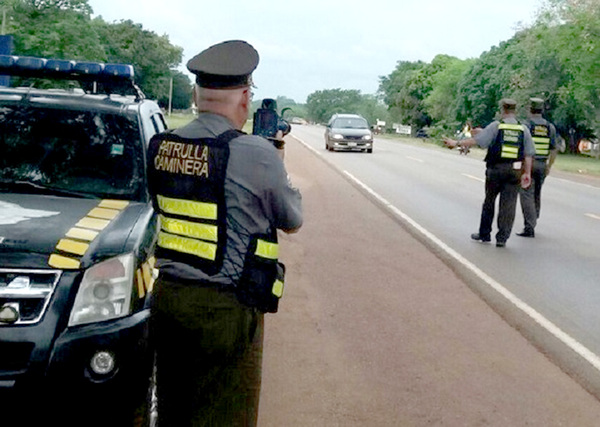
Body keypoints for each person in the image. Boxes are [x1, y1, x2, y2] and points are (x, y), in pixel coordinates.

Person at [147, 40, 303, 426]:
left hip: (168, 298)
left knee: (174, 405)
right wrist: (278, 166)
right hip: (225, 307)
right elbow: (292, 218)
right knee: (227, 413)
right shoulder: (255, 152)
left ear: (196, 95)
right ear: (246, 97)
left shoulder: (160, 145)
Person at [443, 99, 534, 247]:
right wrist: (527, 173)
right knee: (509, 205)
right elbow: (529, 154)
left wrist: (456, 143)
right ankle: (502, 238)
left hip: (495, 170)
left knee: (489, 201)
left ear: (502, 110)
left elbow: (478, 141)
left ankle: (485, 234)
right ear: (514, 111)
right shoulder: (523, 129)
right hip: (515, 171)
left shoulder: (496, 126)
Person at [516, 97, 558, 238]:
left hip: (529, 163)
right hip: (542, 164)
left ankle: (529, 226)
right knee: (537, 193)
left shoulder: (526, 125)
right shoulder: (549, 127)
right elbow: (554, 149)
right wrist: (549, 166)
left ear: (530, 109)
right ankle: (534, 218)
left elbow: (520, 146)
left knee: (526, 193)